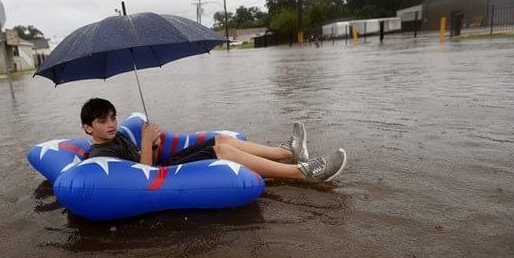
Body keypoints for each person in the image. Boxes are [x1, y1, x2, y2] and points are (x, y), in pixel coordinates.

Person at [81, 98, 347, 182]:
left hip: (163, 164)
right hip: (160, 176)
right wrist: (148, 145)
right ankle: (302, 173)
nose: (112, 124)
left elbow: (142, 159)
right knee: (222, 153)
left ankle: (287, 151)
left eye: (113, 117)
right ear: (87, 128)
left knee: (219, 141)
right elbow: (144, 176)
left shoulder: (115, 139)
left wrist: (152, 143)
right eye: (103, 121)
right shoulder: (99, 157)